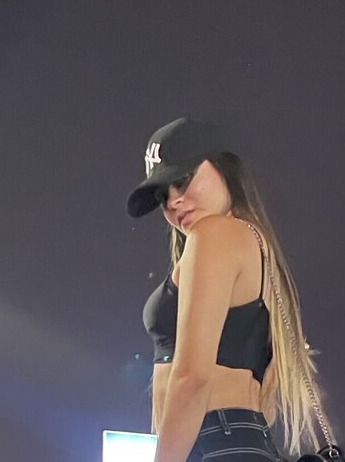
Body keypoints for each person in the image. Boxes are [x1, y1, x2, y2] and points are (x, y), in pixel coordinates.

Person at [126, 118, 331, 462]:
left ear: (222, 166)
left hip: (213, 444)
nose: (173, 201)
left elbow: (191, 378)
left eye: (182, 179)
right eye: (163, 195)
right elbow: (265, 395)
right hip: (236, 440)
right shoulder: (253, 242)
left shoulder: (214, 233)